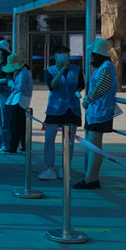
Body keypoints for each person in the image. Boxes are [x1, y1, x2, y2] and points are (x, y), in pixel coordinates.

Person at [74, 38, 118, 190]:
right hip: (96, 112)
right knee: (92, 146)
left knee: (94, 146)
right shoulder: (104, 67)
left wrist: (87, 99)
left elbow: (101, 88)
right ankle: (91, 176)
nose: (91, 56)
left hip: (100, 112)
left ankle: (91, 179)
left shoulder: (106, 67)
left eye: (92, 53)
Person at [39, 43, 84, 180]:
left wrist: (78, 92)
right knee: (49, 139)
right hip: (54, 109)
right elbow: (52, 85)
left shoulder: (76, 69)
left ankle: (65, 168)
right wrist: (61, 70)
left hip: (71, 109)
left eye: (65, 53)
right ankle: (50, 168)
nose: (63, 55)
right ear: (54, 56)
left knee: (69, 141)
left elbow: (81, 85)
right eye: (60, 53)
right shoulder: (49, 70)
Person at [2, 53, 32, 154]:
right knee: (21, 125)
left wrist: (11, 83)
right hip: (22, 100)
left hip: (19, 100)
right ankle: (23, 145)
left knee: (14, 126)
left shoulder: (23, 73)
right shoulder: (24, 72)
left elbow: (21, 88)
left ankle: (13, 147)